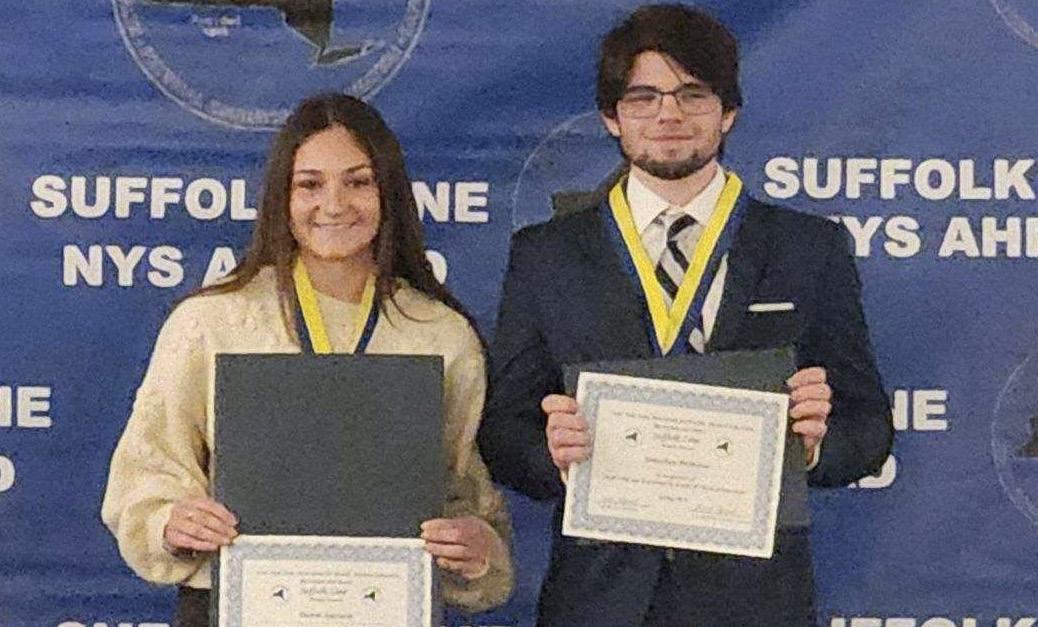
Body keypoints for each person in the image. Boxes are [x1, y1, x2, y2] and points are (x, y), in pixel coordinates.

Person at [477, 5, 893, 626]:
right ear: (611, 117)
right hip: (599, 601)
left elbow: (869, 429)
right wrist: (551, 454)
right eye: (643, 97)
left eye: (692, 94)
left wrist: (813, 445)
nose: (668, 114)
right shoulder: (547, 255)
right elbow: (503, 431)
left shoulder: (809, 249)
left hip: (754, 603)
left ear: (729, 112)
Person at [101, 93, 513, 626]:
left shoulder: (440, 335)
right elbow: (145, 476)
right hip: (234, 606)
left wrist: (476, 548)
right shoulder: (210, 322)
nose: (334, 205)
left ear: (389, 192)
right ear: (282, 197)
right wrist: (171, 523)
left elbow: (462, 496)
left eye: (358, 182)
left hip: (384, 609)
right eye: (310, 185)